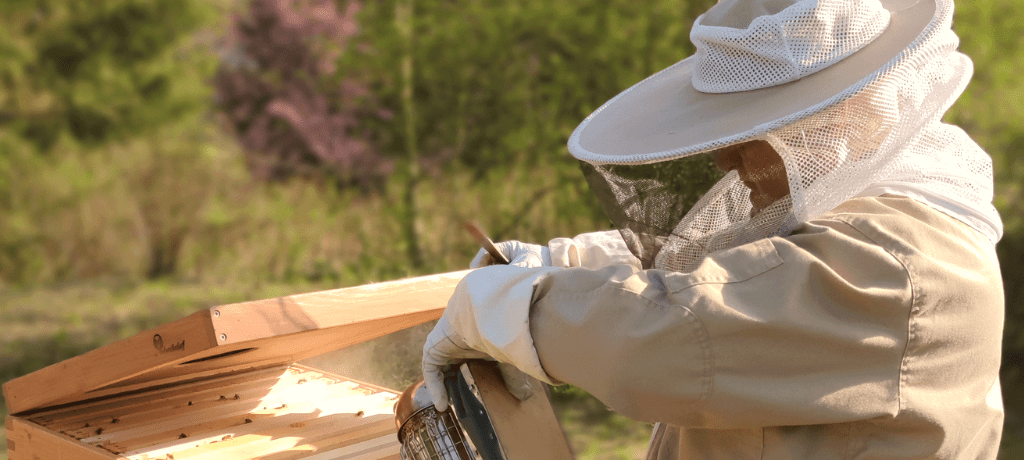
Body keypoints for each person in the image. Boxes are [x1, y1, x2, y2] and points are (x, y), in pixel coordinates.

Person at [422, 0, 1006, 458]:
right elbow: (733, 261)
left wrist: (509, 309)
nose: (727, 160)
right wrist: (573, 264)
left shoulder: (898, 268)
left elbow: (670, 335)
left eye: (755, 135)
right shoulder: (861, 205)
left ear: (844, 119)